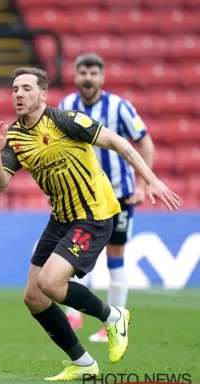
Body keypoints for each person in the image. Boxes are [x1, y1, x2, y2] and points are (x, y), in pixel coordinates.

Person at [0, 67, 179, 381]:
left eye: (26, 88)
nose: (19, 94)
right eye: (15, 89)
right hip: (61, 218)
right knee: (34, 297)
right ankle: (83, 362)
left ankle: (113, 316)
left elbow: (117, 142)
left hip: (94, 214)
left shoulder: (65, 120)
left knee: (50, 283)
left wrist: (151, 180)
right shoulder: (15, 137)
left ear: (43, 95)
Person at [58, 53, 156, 342]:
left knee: (115, 256)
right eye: (83, 73)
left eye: (93, 73)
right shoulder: (65, 106)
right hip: (80, 194)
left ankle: (113, 321)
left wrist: (142, 186)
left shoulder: (119, 107)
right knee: (71, 252)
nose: (88, 78)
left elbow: (145, 142)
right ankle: (73, 314)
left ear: (102, 77)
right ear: (76, 76)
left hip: (117, 195)